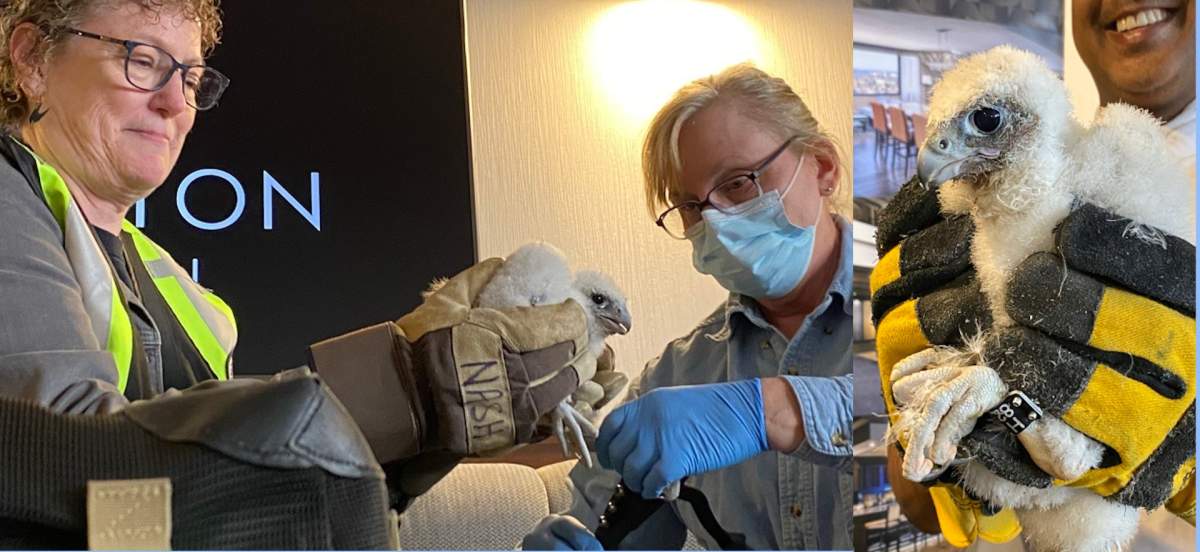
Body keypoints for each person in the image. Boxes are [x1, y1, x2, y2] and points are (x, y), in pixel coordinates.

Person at [0, 0, 604, 523]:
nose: (173, 104)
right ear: (31, 58)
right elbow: (60, 461)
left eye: (188, 77)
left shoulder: (185, 295)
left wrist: (428, 427)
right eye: (143, 60)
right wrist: (407, 392)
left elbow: (237, 501)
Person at [875, 3, 1197, 546]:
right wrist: (928, 434)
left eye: (982, 122)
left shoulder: (1130, 163)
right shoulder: (968, 201)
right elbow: (915, 502)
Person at [523, 64, 854, 550]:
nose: (715, 222)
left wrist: (773, 412)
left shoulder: (913, 302)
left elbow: (951, 423)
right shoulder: (677, 378)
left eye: (739, 182)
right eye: (692, 206)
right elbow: (598, 517)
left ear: (823, 168)